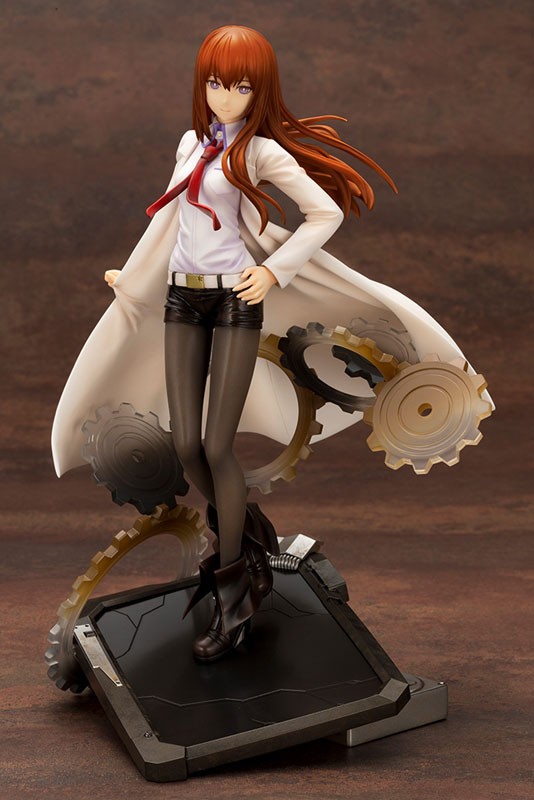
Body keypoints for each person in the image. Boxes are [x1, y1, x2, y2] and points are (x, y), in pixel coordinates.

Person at [52, 25, 485, 662]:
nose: (225, 97)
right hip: (181, 298)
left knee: (217, 445)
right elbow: (169, 218)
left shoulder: (259, 153)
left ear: (260, 91)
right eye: (215, 83)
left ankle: (232, 604)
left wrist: (275, 272)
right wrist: (135, 275)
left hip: (234, 300)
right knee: (185, 443)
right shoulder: (192, 143)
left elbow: (323, 214)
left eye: (240, 87)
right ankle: (251, 548)